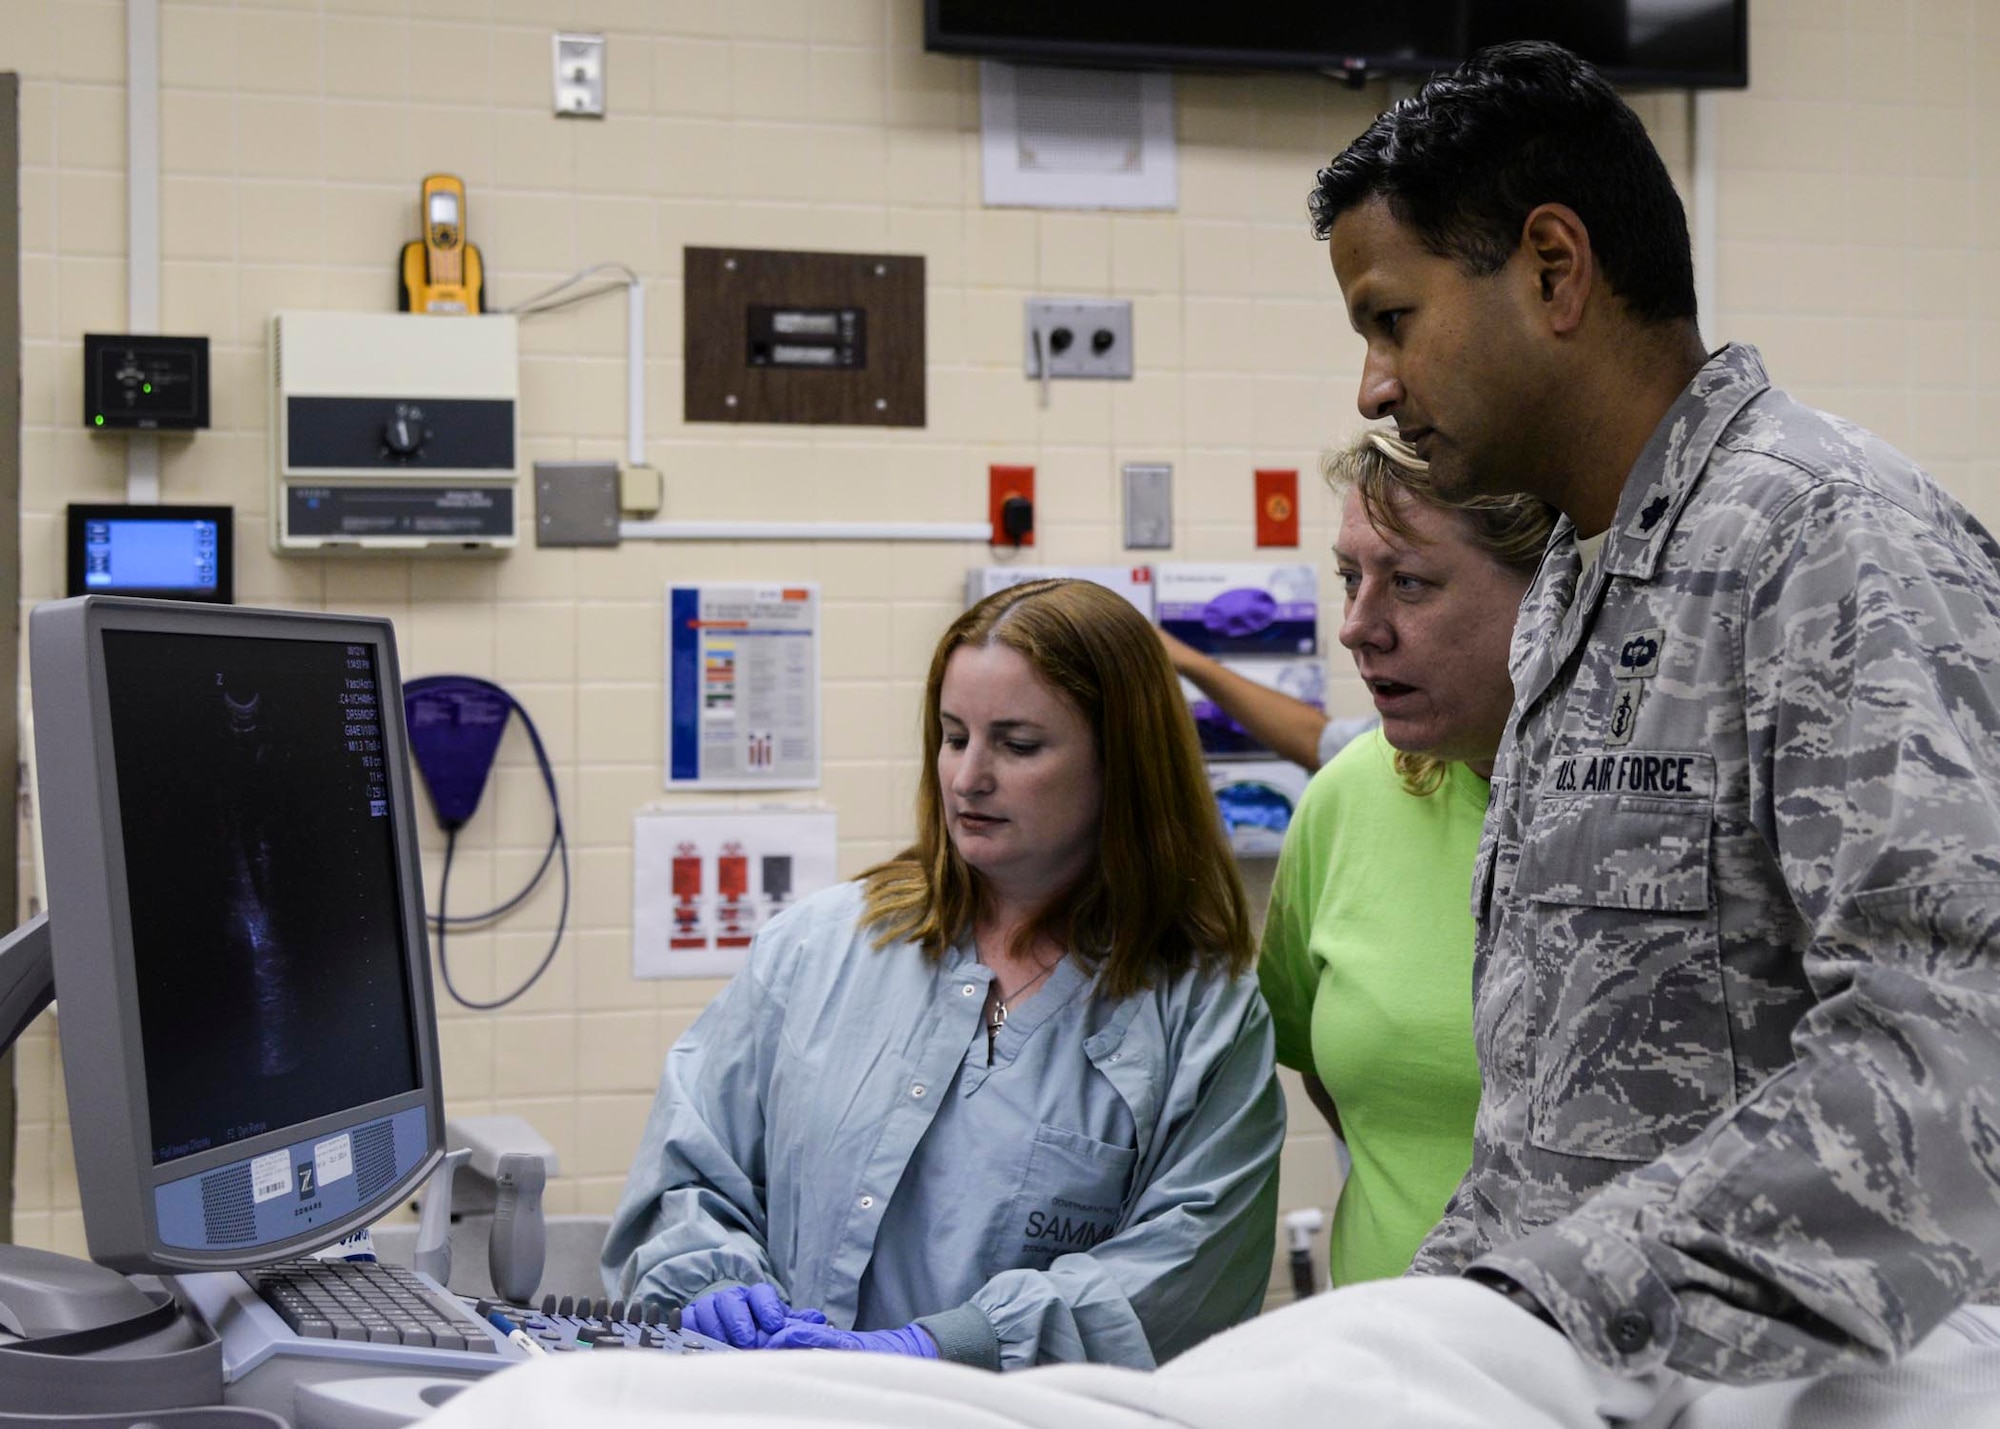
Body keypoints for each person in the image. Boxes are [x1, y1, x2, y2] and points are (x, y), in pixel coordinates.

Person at [434, 41, 2000, 1429]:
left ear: (1553, 268)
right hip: (1544, 1348)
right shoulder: (1594, 588)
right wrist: (1469, 1306)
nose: (1375, 380)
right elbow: (1558, 1114)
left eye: (1393, 318)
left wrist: (1538, 1311)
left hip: (1716, 1365)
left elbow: (1952, 1059)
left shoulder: (1834, 548)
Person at [601, 577, 1285, 1373]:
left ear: (1122, 764)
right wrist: (708, 1279)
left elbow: (1183, 1272)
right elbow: (688, 1168)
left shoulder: (1200, 1015)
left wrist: (947, 1346)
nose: (968, 777)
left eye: (1018, 744)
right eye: (954, 735)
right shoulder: (819, 947)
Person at [1259, 429, 1556, 1288]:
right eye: (1352, 578)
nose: (1358, 628)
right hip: (1385, 1361)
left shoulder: (1645, 809)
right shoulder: (1348, 797)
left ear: (1550, 593)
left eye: (1410, 584)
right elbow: (1327, 1072)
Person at [1159, 627, 1376, 773]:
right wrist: (1186, 660)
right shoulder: (1377, 745)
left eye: (1405, 582)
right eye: (1350, 579)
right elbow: (1320, 741)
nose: (1350, 634)